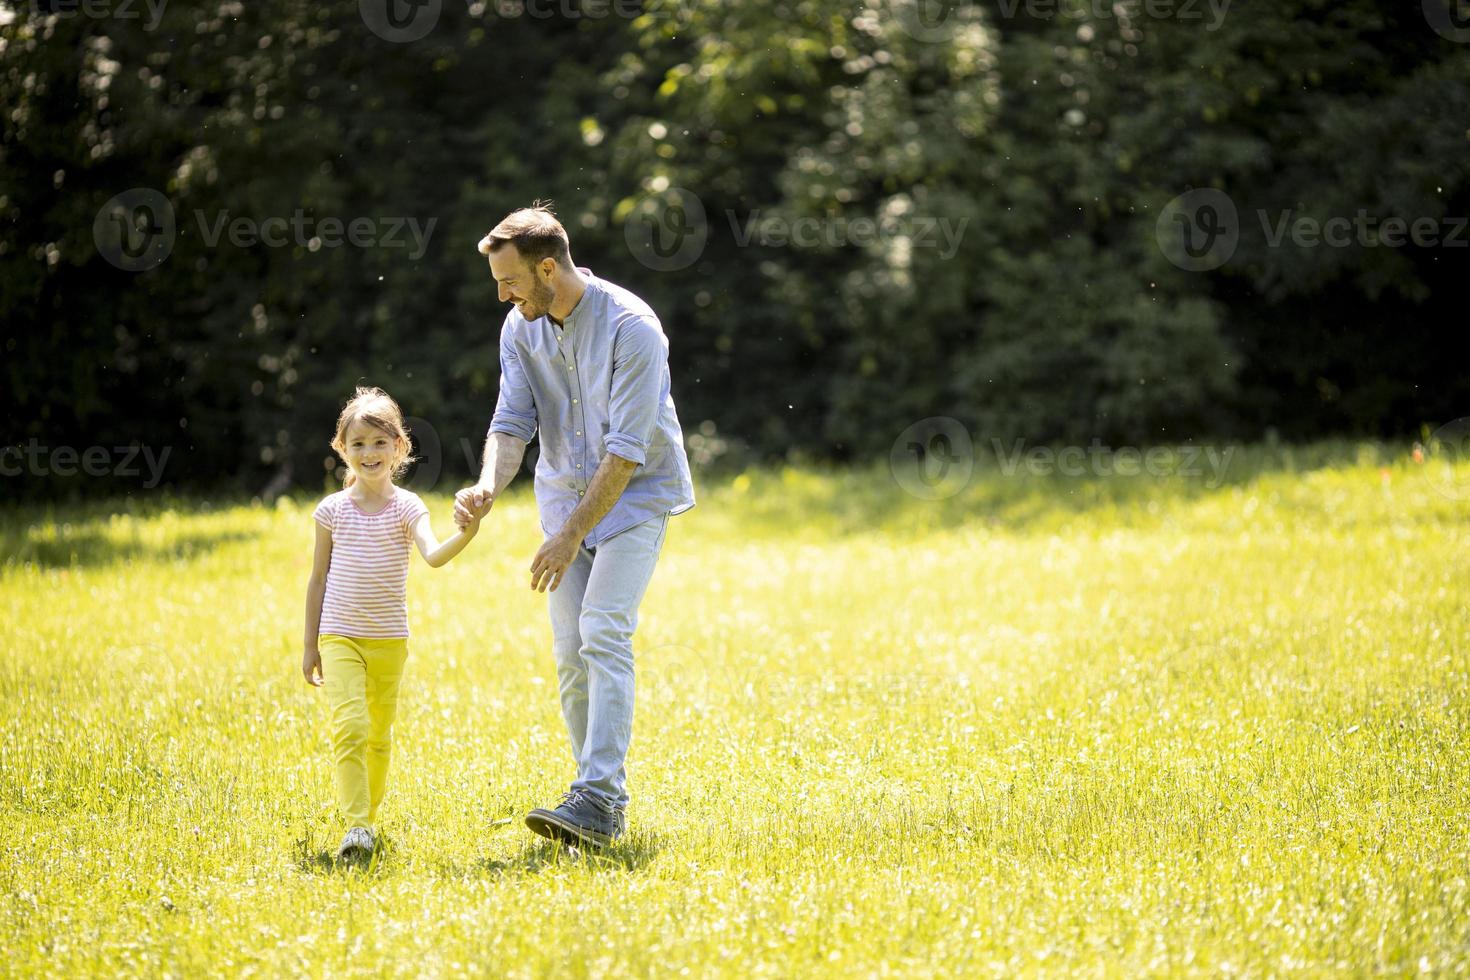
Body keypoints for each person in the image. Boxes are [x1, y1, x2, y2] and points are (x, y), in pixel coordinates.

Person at [455, 204, 695, 848]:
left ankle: (599, 799)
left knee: (603, 631)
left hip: (635, 497)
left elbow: (625, 451)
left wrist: (567, 537)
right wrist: (487, 486)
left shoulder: (632, 327)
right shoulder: (520, 326)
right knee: (569, 656)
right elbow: (511, 422)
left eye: (509, 282)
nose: (502, 295)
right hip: (563, 499)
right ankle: (590, 795)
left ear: (546, 268)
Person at [303, 386, 482, 861]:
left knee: (379, 735)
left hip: (389, 642)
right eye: (358, 443)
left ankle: (370, 819)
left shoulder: (408, 507)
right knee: (351, 727)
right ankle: (357, 826)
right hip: (338, 635)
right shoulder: (331, 512)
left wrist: (468, 532)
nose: (369, 453)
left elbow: (434, 555)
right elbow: (317, 579)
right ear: (342, 449)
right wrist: (309, 645)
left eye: (379, 443)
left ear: (400, 447)